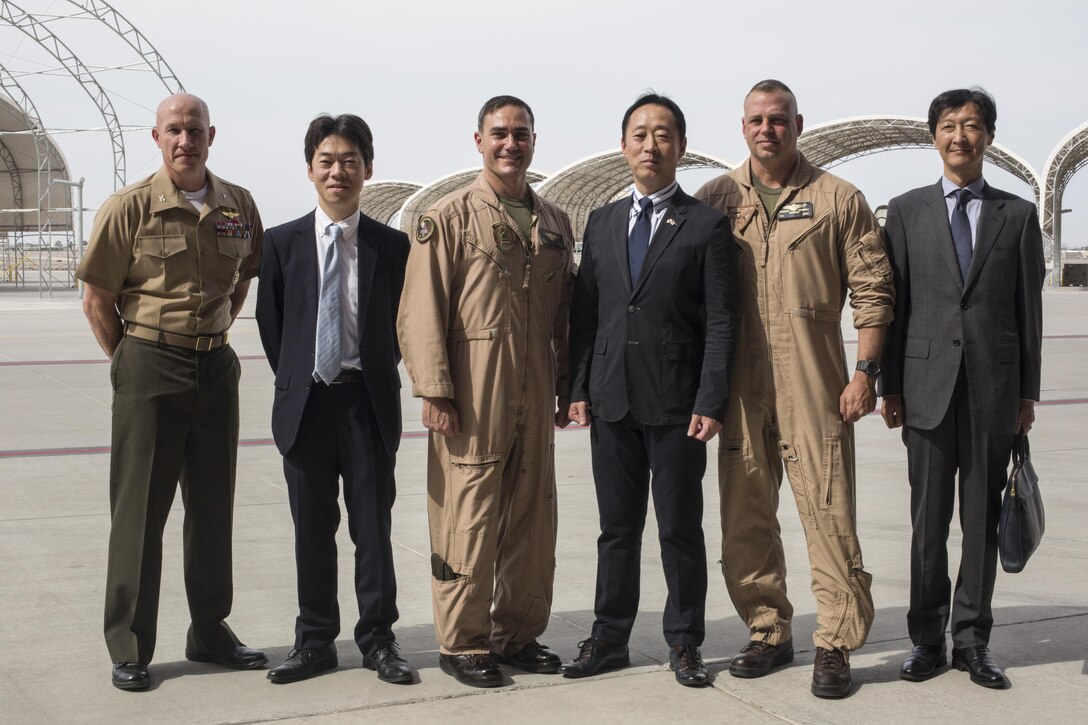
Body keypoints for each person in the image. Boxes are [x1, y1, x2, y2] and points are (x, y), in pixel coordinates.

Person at [695, 79, 894, 698]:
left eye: (777, 119)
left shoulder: (838, 199)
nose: (766, 129)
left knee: (828, 508)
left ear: (798, 124)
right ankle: (767, 629)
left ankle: (834, 642)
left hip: (815, 379)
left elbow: (873, 289)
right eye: (756, 119)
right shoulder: (715, 200)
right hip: (740, 385)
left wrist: (865, 372)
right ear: (742, 126)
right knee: (744, 512)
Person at [77, 93, 266, 691]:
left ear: (213, 135)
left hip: (216, 370)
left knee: (212, 511)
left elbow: (241, 282)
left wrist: (216, 332)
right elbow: (97, 300)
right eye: (174, 130)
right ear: (156, 138)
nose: (186, 140)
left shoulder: (238, 206)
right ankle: (130, 643)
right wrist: (131, 362)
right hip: (150, 366)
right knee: (139, 515)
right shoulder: (128, 207)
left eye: (195, 130)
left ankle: (209, 631)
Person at [397, 95, 575, 688]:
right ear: (478, 141)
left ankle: (517, 632)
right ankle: (463, 641)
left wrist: (567, 385)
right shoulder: (445, 217)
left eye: (521, 133)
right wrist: (434, 390)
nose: (510, 144)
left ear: (533, 140)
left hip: (536, 383)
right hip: (473, 392)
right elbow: (421, 310)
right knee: (467, 517)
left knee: (532, 517)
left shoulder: (554, 222)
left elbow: (563, 316)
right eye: (499, 133)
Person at [560, 93, 738, 687]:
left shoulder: (707, 226)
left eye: (663, 135)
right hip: (611, 400)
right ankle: (609, 636)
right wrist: (577, 387)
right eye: (639, 134)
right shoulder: (603, 222)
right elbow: (588, 315)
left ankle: (685, 641)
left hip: (677, 403)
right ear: (623, 146)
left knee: (679, 528)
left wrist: (710, 401)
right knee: (617, 528)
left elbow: (719, 321)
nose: (650, 145)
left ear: (681, 148)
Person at [880, 88, 1044, 689]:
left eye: (972, 126)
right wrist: (889, 386)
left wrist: (1027, 392)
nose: (960, 137)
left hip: (994, 391)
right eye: (949, 126)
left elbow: (1030, 311)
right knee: (928, 522)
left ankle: (972, 641)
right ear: (933, 137)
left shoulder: (1018, 215)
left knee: (981, 521)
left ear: (989, 138)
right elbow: (894, 305)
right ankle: (926, 638)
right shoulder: (905, 210)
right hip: (924, 387)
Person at [255, 114, 413, 685]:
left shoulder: (392, 246)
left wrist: (367, 375)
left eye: (350, 160)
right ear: (309, 170)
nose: (338, 170)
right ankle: (315, 641)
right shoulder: (281, 243)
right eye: (327, 161)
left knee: (372, 529)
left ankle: (378, 640)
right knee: (311, 531)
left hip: (367, 405)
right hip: (306, 409)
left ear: (368, 169)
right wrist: (301, 380)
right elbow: (273, 326)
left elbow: (403, 324)